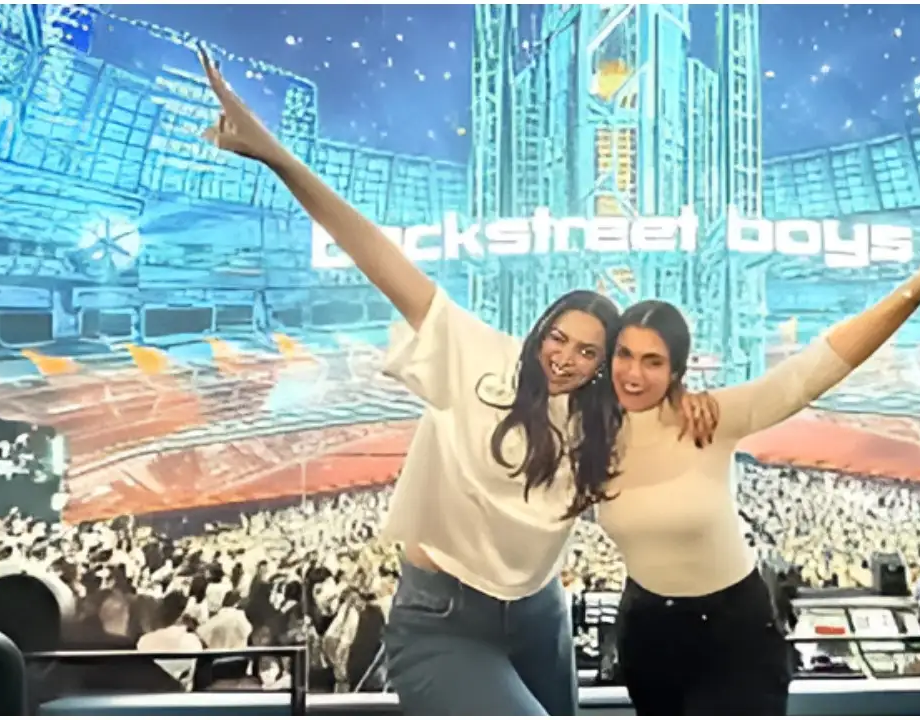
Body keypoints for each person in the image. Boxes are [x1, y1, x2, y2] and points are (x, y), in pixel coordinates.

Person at [194, 48, 715, 715]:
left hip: (540, 615)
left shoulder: (605, 420)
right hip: (443, 618)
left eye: (588, 352)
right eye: (558, 337)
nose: (565, 358)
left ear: (602, 364)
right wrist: (277, 156)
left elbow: (690, 410)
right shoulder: (475, 355)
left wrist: (689, 402)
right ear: (540, 331)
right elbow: (373, 253)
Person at [597, 189, 920, 715]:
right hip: (648, 631)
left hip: (734, 631)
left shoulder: (710, 418)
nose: (633, 373)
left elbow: (813, 370)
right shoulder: (587, 429)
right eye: (624, 355)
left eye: (653, 361)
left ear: (677, 370)